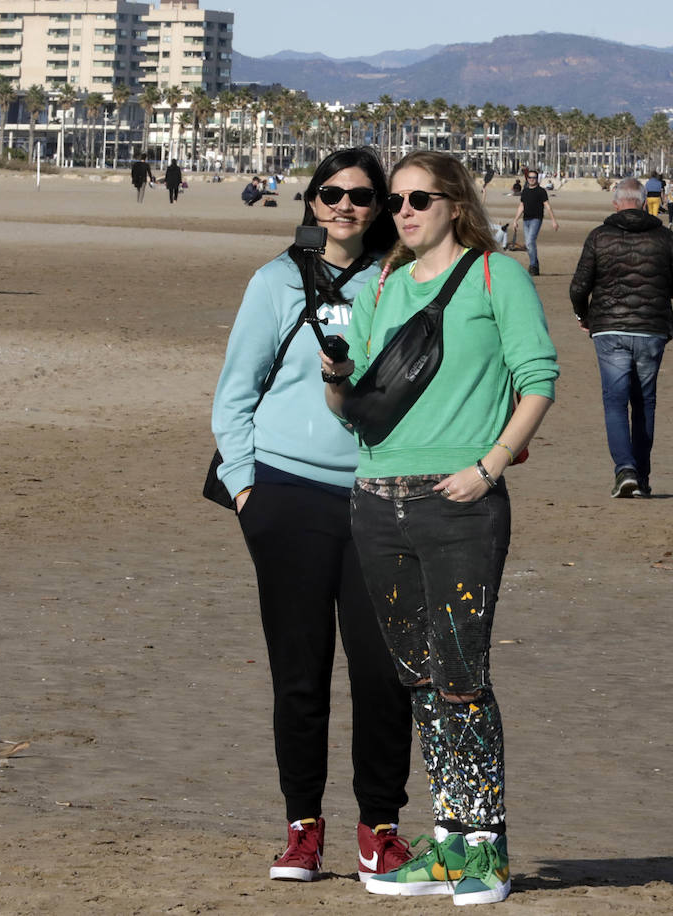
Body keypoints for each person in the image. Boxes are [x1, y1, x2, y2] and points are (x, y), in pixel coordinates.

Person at [322, 150, 558, 906]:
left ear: (456, 204)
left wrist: (487, 469)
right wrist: (333, 375)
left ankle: (486, 848)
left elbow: (538, 380)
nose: (405, 211)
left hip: (458, 502)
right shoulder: (383, 285)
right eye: (396, 201)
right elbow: (349, 408)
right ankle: (450, 843)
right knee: (418, 679)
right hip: (374, 497)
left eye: (421, 198)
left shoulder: (498, 277)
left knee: (462, 678)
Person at [210, 147, 415, 886]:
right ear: (311, 200)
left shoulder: (402, 282)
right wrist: (244, 488)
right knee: (300, 675)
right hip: (285, 496)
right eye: (330, 194)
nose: (344, 207)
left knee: (384, 674)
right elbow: (235, 390)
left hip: (377, 497)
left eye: (361, 196)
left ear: (383, 206)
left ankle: (379, 831)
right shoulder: (273, 282)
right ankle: (302, 829)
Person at [569, 177, 673, 499]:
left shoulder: (599, 236)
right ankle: (641, 475)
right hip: (651, 328)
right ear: (644, 201)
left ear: (615, 203)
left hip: (610, 328)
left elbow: (579, 286)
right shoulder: (665, 237)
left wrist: (584, 316)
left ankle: (626, 470)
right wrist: (654, 290)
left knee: (615, 403)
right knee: (643, 403)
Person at [509, 169, 558, 276]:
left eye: (534, 178)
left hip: (536, 219)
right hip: (526, 219)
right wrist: (515, 220)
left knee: (530, 241)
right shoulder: (525, 191)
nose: (532, 179)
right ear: (527, 179)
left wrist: (553, 221)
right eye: (530, 177)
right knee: (528, 244)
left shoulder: (541, 191)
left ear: (537, 179)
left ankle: (533, 266)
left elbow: (547, 206)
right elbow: (521, 206)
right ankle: (535, 265)